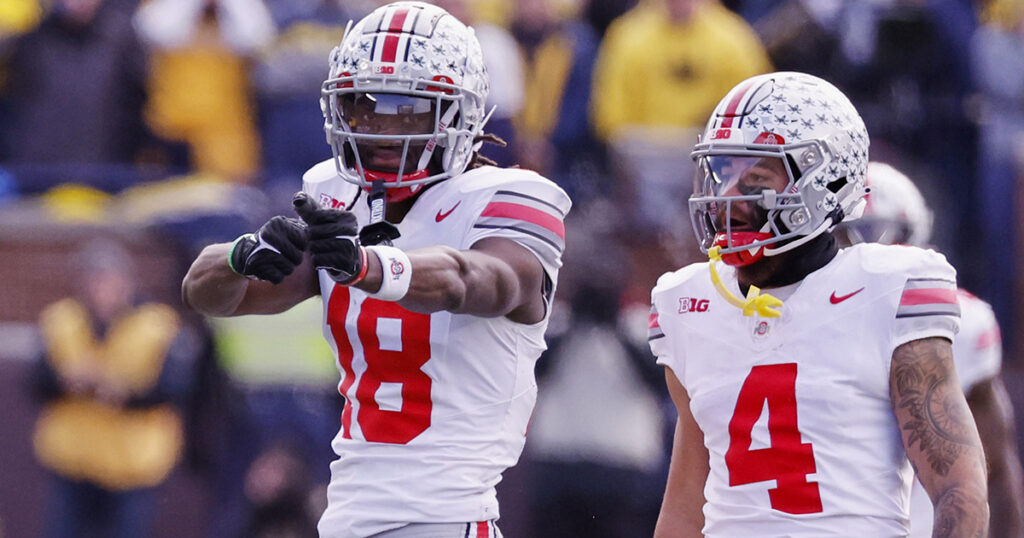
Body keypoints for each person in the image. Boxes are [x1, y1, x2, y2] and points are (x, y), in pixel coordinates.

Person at [181, 2, 571, 537]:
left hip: (447, 515)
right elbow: (208, 294)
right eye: (365, 107)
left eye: (407, 109)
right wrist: (238, 255)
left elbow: (478, 281)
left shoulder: (511, 198)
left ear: (458, 113)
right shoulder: (333, 192)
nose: (384, 130)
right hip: (349, 510)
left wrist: (370, 265)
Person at [648, 71, 989, 537]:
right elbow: (686, 502)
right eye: (722, 173)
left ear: (826, 182)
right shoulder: (688, 303)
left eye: (756, 179)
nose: (728, 198)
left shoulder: (888, 290)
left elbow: (959, 489)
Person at [837, 162, 1024, 538]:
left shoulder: (962, 320)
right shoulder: (788, 313)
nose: (867, 250)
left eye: (878, 233)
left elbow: (996, 466)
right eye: (849, 235)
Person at [31, 239, 193, 538]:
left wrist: (127, 394)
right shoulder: (62, 319)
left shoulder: (157, 324)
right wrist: (65, 382)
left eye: (107, 281)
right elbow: (35, 383)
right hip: (73, 458)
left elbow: (175, 388)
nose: (100, 292)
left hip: (132, 463)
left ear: (126, 281)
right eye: (92, 282)